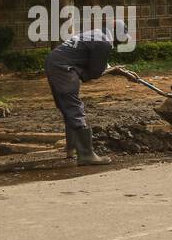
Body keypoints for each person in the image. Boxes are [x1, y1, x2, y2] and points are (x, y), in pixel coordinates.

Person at [45, 22, 128, 165]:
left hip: (54, 62)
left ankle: (71, 149)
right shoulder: (104, 43)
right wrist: (98, 72)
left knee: (66, 105)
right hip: (63, 68)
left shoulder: (96, 34)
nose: (119, 42)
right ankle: (86, 155)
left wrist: (118, 71)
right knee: (73, 106)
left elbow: (91, 61)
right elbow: (95, 72)